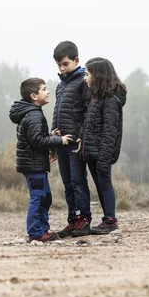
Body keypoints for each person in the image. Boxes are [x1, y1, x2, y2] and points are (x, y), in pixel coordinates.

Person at [9, 77, 72, 242]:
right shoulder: (34, 116)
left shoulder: (31, 114)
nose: (48, 91)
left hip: (34, 163)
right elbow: (37, 141)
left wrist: (50, 136)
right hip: (33, 165)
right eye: (44, 89)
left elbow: (36, 138)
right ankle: (36, 232)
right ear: (34, 96)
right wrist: (60, 140)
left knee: (45, 197)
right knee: (38, 197)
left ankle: (43, 229)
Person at [78, 58, 127, 234]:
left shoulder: (111, 99)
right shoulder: (95, 97)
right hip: (91, 151)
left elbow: (110, 131)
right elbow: (89, 124)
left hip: (101, 153)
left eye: (87, 74)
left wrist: (104, 157)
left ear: (98, 75)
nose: (85, 78)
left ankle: (111, 220)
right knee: (99, 185)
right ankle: (107, 218)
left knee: (105, 183)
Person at [51, 40, 92, 237]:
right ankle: (73, 220)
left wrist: (81, 137)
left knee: (78, 181)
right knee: (67, 183)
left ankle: (84, 220)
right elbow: (55, 112)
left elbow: (89, 112)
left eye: (65, 64)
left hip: (75, 144)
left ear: (76, 60)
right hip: (61, 143)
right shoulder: (60, 86)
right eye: (59, 65)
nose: (62, 68)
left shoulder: (84, 82)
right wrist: (53, 134)